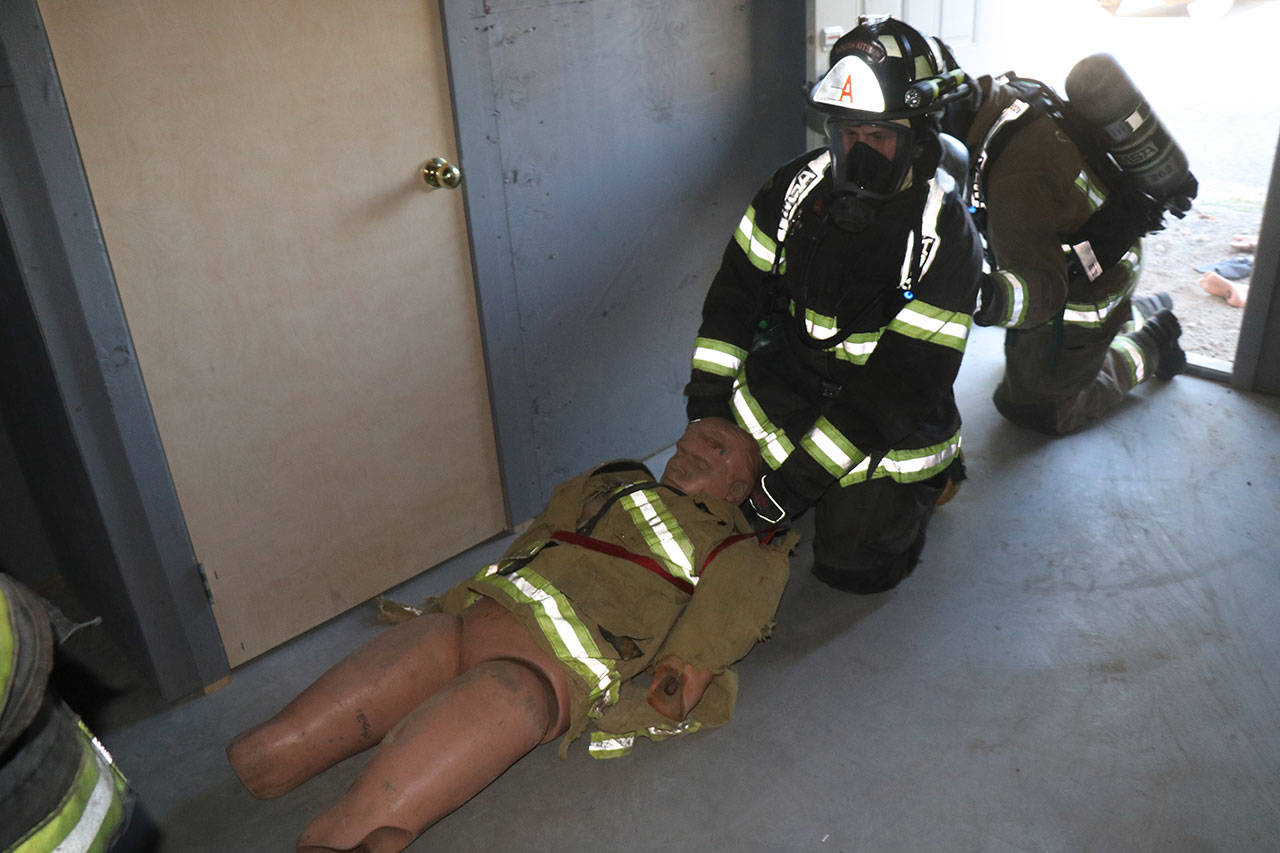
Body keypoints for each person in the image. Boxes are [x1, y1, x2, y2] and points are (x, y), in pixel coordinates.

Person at [226, 418, 792, 853]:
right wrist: (459, 598)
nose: (691, 447)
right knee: (271, 752)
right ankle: (272, 760)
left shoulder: (738, 549)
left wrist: (679, 674)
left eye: (715, 449)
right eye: (692, 436)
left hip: (543, 667)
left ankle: (346, 837)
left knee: (493, 705)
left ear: (739, 484)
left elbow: (725, 615)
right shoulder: (614, 481)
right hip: (476, 618)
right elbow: (543, 532)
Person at [684, 16, 983, 595]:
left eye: (879, 139)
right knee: (714, 503)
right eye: (847, 135)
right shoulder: (791, 190)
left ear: (919, 137)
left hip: (884, 419)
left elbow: (897, 388)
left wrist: (791, 489)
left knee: (852, 568)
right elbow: (731, 304)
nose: (859, 154)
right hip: (794, 383)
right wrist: (709, 409)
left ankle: (937, 481)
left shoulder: (945, 238)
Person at [941, 60, 1195, 436]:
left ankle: (1151, 343)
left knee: (1033, 408)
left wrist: (980, 298)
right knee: (1022, 365)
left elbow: (1042, 292)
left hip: (1087, 293)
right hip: (1109, 251)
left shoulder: (1014, 181)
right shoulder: (1004, 101)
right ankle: (1139, 309)